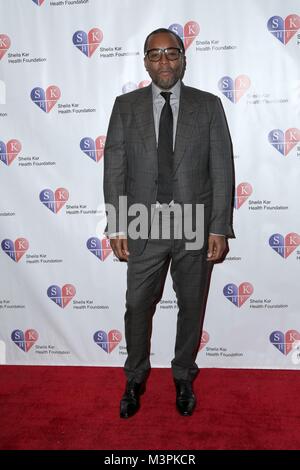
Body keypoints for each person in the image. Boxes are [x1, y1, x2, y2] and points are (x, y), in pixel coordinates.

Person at [103, 28, 234, 418]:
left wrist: (218, 227)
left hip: (194, 221)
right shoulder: (125, 106)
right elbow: (114, 170)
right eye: (155, 54)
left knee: (191, 306)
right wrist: (116, 225)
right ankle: (135, 376)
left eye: (171, 53)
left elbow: (222, 169)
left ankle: (183, 376)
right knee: (137, 305)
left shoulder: (208, 106)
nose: (164, 62)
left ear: (183, 59)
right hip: (143, 222)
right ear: (145, 61)